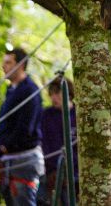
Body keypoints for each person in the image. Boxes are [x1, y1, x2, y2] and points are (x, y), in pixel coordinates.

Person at [0, 47, 44, 206]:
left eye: (8, 63)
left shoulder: (30, 91)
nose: (3, 66)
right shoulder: (11, 89)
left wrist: (2, 150)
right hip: (10, 159)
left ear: (21, 65)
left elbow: (25, 129)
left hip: (24, 159)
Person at [38, 77, 77, 206]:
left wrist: (68, 170)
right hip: (50, 173)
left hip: (75, 174)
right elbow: (43, 144)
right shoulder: (46, 115)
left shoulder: (80, 115)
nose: (53, 98)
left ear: (68, 93)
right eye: (51, 94)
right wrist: (54, 170)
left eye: (57, 93)